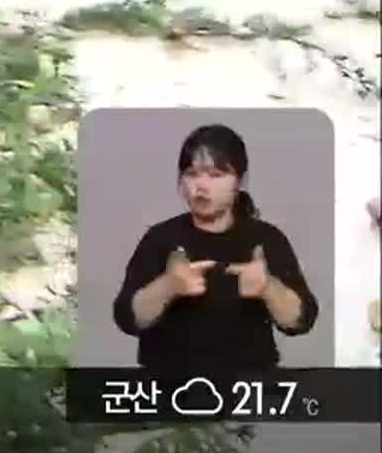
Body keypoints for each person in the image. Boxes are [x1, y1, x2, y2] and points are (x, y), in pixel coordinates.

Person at [112, 123, 318, 371]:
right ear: (180, 181)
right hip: (168, 392)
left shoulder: (267, 239)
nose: (201, 185)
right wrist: (168, 286)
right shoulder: (160, 238)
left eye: (216, 174)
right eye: (191, 173)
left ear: (239, 182)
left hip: (249, 392)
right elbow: (127, 318)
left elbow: (301, 321)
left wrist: (267, 288)